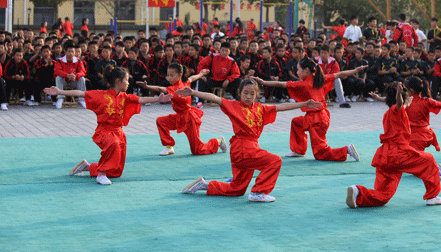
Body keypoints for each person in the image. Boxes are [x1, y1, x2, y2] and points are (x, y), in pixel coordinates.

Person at [179, 79, 322, 202]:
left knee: (237, 189)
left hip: (246, 150)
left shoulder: (261, 108)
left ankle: (203, 185)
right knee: (275, 161)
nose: (248, 96)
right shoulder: (234, 106)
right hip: (243, 149)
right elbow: (215, 98)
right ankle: (258, 193)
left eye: (252, 93)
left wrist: (303, 103)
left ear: (256, 95)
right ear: (239, 93)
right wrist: (193, 92)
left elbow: (281, 107)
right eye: (245, 93)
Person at [45, 66, 172, 185]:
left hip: (119, 133)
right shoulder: (101, 95)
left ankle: (88, 167)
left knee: (116, 172)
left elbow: (141, 100)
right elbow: (81, 93)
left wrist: (158, 100)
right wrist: (60, 91)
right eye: (126, 80)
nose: (128, 83)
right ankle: (101, 174)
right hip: (104, 131)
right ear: (118, 81)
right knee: (113, 144)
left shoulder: (125, 97)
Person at [346, 82, 441, 208]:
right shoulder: (397, 110)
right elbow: (398, 105)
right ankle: (432, 197)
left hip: (385, 157)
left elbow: (398, 104)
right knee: (429, 160)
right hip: (398, 154)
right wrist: (399, 94)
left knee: (384, 195)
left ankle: (358, 191)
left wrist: (393, 98)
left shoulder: (389, 113)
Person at [254, 58, 365, 161]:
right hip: (318, 116)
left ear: (306, 70)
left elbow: (279, 84)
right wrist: (355, 70)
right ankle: (298, 150)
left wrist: (263, 82)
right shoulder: (321, 78)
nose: (297, 72)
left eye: (298, 70)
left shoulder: (304, 84)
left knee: (320, 153)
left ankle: (346, 150)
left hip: (317, 120)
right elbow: (340, 74)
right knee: (296, 122)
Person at [137, 65, 227, 156]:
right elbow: (193, 77)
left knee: (197, 150)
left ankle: (218, 141)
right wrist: (201, 74)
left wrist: (147, 86)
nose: (169, 78)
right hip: (179, 117)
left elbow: (160, 89)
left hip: (190, 120)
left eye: (172, 75)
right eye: (168, 75)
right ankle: (169, 146)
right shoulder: (185, 82)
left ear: (180, 75)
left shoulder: (175, 88)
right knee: (161, 121)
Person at [54, 44, 87, 109]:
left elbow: (83, 72)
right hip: (64, 81)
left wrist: (76, 76)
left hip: (74, 80)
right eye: (69, 51)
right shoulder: (59, 61)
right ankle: (60, 98)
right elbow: (57, 71)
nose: (71, 53)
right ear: (65, 52)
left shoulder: (78, 61)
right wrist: (67, 75)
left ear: (74, 52)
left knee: (82, 79)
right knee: (58, 78)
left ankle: (82, 99)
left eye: (72, 51)